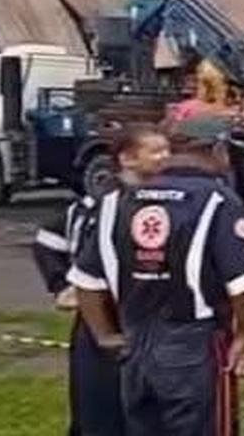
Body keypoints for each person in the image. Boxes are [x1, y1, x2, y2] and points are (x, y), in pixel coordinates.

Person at [70, 119, 244, 436]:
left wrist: (105, 336)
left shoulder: (116, 202)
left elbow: (86, 281)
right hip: (194, 343)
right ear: (218, 151)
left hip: (134, 341)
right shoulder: (215, 200)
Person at [33, 125, 169, 436]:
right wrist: (61, 285)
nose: (165, 157)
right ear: (128, 159)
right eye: (156, 151)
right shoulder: (99, 204)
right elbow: (47, 240)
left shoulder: (164, 201)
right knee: (100, 407)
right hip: (101, 323)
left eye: (167, 150)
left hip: (150, 321)